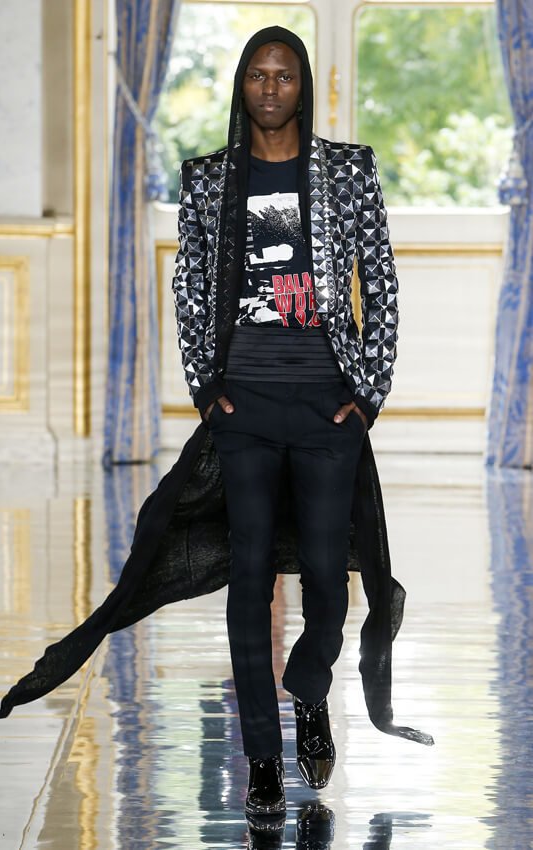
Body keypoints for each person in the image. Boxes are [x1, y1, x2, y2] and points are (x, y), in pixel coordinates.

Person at [172, 25, 399, 818]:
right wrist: (205, 388)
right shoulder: (208, 179)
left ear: (303, 86)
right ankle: (262, 757)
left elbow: (380, 279)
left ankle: (307, 687)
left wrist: (368, 392)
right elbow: (190, 286)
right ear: (242, 84)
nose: (270, 88)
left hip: (325, 402)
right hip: (244, 402)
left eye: (285, 75)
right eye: (258, 75)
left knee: (329, 581)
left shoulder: (347, 170)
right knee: (249, 577)